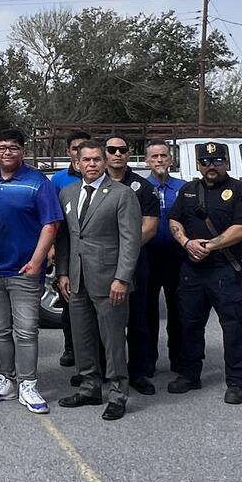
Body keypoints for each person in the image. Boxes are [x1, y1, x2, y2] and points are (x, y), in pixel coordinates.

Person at [0, 128, 63, 414]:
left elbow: (51, 224)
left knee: (25, 331)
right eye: (1, 147)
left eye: (12, 147)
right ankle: (5, 380)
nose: (6, 152)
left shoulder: (38, 183)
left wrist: (37, 261)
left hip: (24, 270)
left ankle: (27, 383)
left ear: (22, 151)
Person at [54, 140, 142, 420]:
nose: (91, 164)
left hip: (109, 280)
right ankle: (90, 387)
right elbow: (65, 238)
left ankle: (118, 394)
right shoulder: (67, 193)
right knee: (82, 338)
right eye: (86, 160)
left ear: (104, 162)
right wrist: (63, 272)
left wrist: (122, 278)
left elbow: (131, 240)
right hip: (77, 279)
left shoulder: (122, 194)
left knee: (113, 340)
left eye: (96, 160)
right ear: (77, 164)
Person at [168, 142, 242, 404]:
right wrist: (186, 242)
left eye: (218, 161)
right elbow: (174, 220)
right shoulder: (188, 191)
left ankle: (237, 381)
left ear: (227, 164)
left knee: (232, 328)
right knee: (189, 325)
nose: (211, 167)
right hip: (192, 270)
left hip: (224, 270)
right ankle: (189, 375)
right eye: (206, 162)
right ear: (198, 165)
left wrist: (210, 245)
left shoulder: (240, 191)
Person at [98, 136, 161, 395]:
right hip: (100, 264)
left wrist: (126, 250)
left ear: (128, 154)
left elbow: (151, 225)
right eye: (111, 150)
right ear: (105, 154)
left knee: (138, 319)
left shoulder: (142, 187)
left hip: (135, 262)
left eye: (122, 150)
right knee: (103, 319)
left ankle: (138, 372)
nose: (117, 154)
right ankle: (104, 369)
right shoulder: (92, 185)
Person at [144, 141, 184, 385]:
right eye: (154, 157)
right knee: (147, 311)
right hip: (148, 255)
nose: (159, 160)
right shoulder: (139, 187)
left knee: (178, 310)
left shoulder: (183, 188)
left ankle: (179, 359)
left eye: (164, 156)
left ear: (171, 160)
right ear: (147, 161)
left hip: (177, 257)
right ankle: (147, 360)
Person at [51, 130, 88, 368]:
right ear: (69, 152)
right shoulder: (59, 180)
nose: (79, 152)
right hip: (68, 249)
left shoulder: (99, 176)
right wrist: (52, 247)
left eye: (84, 147)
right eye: (75, 148)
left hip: (94, 252)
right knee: (69, 303)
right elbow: (53, 217)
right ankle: (70, 348)